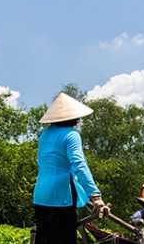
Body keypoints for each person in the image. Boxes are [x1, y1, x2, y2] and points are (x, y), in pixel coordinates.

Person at [32, 93, 108, 244]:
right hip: (61, 196)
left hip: (41, 194)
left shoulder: (45, 134)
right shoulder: (71, 135)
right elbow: (79, 165)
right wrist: (95, 196)